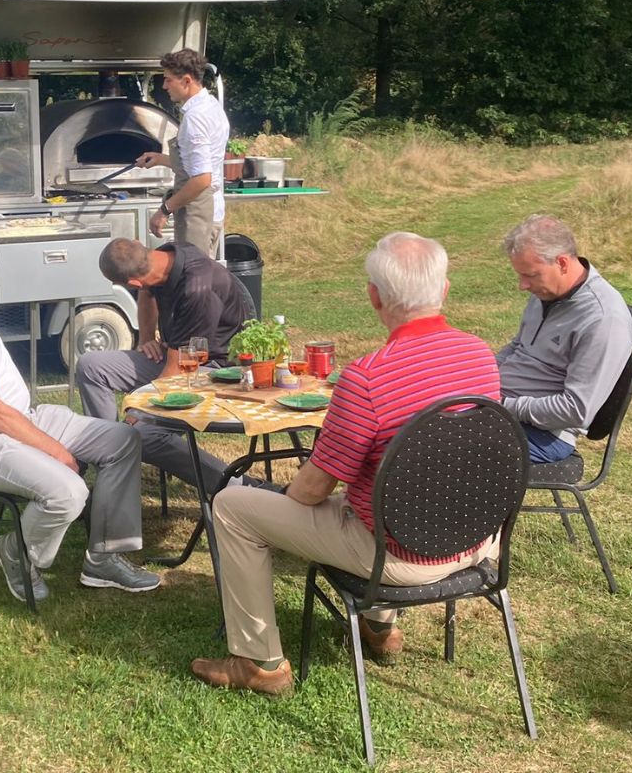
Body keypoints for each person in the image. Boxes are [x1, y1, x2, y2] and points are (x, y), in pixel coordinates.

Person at [190, 232, 501, 696]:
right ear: (445, 289)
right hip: (477, 541)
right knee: (380, 492)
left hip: (398, 558)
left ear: (374, 296)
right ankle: (378, 630)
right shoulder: (482, 358)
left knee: (234, 505)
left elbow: (312, 490)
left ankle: (259, 663)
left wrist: (292, 498)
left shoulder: (368, 379)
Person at [0, 222, 160, 603]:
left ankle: (104, 557)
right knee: (68, 491)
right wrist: (56, 452)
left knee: (123, 440)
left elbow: (4, 413)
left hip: (20, 418)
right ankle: (16, 552)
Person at [76, 237, 250, 491]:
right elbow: (148, 292)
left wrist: (138, 412)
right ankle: (111, 458)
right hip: (175, 358)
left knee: (141, 436)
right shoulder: (163, 256)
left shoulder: (196, 289)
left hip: (213, 371)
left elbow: (180, 370)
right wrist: (146, 337)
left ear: (132, 283)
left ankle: (238, 486)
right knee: (91, 366)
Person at [497, 214, 632, 463]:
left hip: (544, 434)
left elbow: (575, 410)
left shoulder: (603, 319)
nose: (522, 285)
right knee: (418, 418)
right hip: (503, 411)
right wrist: (477, 377)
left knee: (434, 443)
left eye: (530, 275)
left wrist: (502, 404)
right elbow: (518, 347)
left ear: (562, 263)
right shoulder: (547, 293)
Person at [137, 49, 229, 257]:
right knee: (198, 280)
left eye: (168, 80)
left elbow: (201, 179)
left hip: (197, 213)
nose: (164, 86)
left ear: (186, 81)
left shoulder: (195, 119)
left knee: (194, 283)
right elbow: (197, 165)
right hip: (207, 208)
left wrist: (164, 211)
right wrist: (161, 159)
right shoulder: (211, 106)